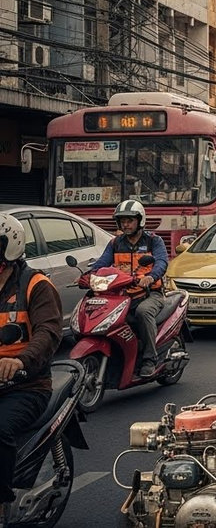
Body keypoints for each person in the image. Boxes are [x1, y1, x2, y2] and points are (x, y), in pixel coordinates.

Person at [0, 214, 62, 517]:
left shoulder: (36, 285)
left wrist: (19, 360)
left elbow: (48, 333)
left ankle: (1, 504)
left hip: (26, 385)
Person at [92, 200, 168, 378]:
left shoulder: (153, 241)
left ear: (140, 221)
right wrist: (89, 275)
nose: (125, 225)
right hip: (123, 294)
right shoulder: (116, 243)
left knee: (143, 312)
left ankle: (150, 359)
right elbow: (102, 263)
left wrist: (151, 277)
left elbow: (162, 262)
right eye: (122, 221)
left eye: (129, 220)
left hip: (150, 294)